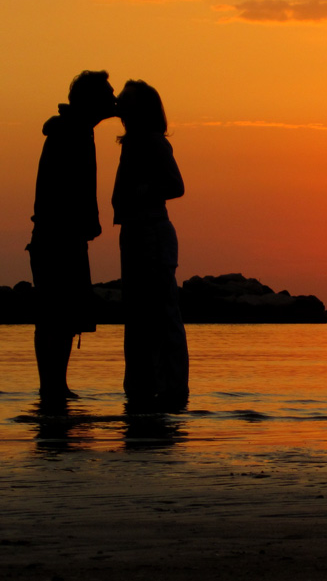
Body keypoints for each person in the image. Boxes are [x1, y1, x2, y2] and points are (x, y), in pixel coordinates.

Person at [27, 70, 115, 401]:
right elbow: (60, 192)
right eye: (108, 95)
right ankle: (53, 386)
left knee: (58, 316)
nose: (114, 100)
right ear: (92, 101)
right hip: (59, 237)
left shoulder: (75, 129)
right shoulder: (71, 133)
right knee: (57, 316)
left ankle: (53, 386)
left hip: (59, 235)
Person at [111, 80, 189, 410]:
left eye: (125, 99)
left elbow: (176, 185)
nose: (118, 103)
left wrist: (143, 191)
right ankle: (141, 387)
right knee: (138, 314)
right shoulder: (132, 142)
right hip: (134, 232)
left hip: (151, 233)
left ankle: (170, 389)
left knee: (160, 313)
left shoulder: (154, 142)